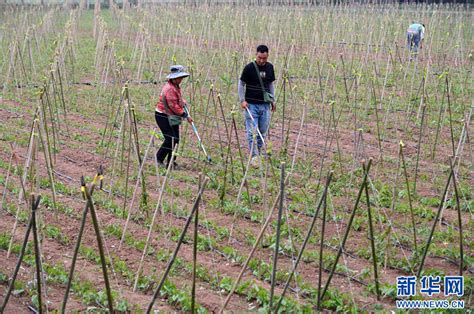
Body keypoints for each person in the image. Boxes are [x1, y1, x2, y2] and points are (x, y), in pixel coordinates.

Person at [238, 44, 276, 167]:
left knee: (262, 131)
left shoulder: (270, 67)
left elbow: (270, 85)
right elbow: (241, 84)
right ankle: (253, 155)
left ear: (267, 56)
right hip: (251, 105)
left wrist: (272, 100)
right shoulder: (249, 68)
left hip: (264, 105)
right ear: (256, 55)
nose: (261, 60)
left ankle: (257, 152)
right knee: (252, 131)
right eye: (259, 57)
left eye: (264, 58)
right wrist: (242, 100)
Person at [155, 65, 192, 169]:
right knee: (170, 138)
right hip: (162, 115)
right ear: (174, 78)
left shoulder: (175, 86)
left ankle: (171, 162)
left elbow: (176, 100)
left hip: (172, 115)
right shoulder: (169, 89)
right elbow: (173, 105)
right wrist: (185, 115)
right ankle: (158, 158)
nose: (181, 79)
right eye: (179, 78)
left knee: (175, 139)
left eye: (181, 77)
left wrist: (182, 101)